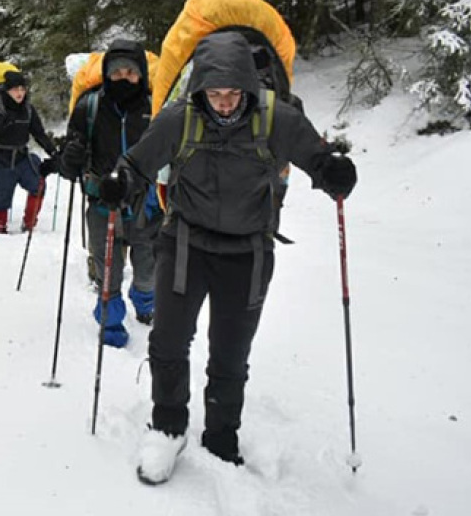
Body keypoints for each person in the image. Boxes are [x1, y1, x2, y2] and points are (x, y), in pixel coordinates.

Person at [105, 31, 357, 484]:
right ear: (200, 89)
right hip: (186, 243)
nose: (223, 103)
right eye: (214, 94)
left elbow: (314, 156)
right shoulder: (179, 119)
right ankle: (167, 427)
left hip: (248, 251)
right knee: (168, 341)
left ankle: (222, 434)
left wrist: (332, 172)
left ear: (249, 87)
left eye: (232, 93)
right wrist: (121, 184)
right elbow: (137, 163)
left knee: (230, 353)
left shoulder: (274, 118)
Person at [59, 41, 161, 348]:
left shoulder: (156, 107)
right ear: (106, 73)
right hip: (103, 201)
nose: (124, 78)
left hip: (147, 201)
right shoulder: (89, 106)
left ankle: (145, 302)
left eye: (131, 72)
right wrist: (71, 158)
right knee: (108, 272)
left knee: (148, 270)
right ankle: (111, 324)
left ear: (141, 73)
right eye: (116, 72)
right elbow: (70, 164)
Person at [0, 71, 58, 234]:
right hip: (0, 159)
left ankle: (29, 223)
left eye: (22, 89)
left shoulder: (28, 110)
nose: (19, 93)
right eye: (15, 89)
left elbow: (38, 133)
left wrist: (53, 151)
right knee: (2, 197)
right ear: (6, 91)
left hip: (21, 157)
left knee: (38, 186)